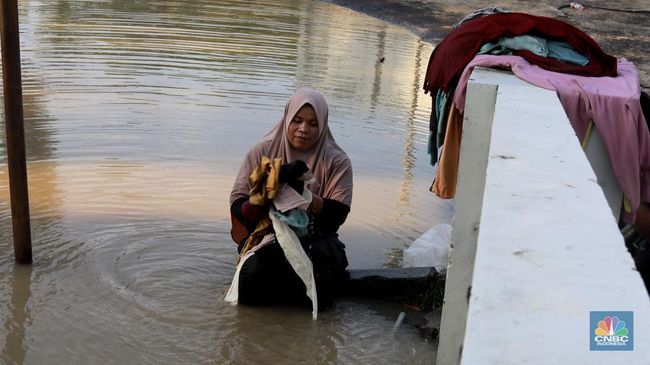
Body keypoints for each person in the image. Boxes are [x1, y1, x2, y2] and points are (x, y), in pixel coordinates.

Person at [229, 87, 353, 309]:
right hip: (268, 236)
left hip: (316, 239)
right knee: (251, 275)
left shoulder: (337, 161)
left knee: (321, 288)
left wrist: (308, 198)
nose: (303, 129)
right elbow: (238, 204)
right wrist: (264, 193)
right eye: (297, 121)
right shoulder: (262, 151)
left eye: (313, 124)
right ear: (286, 119)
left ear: (323, 125)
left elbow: (337, 217)